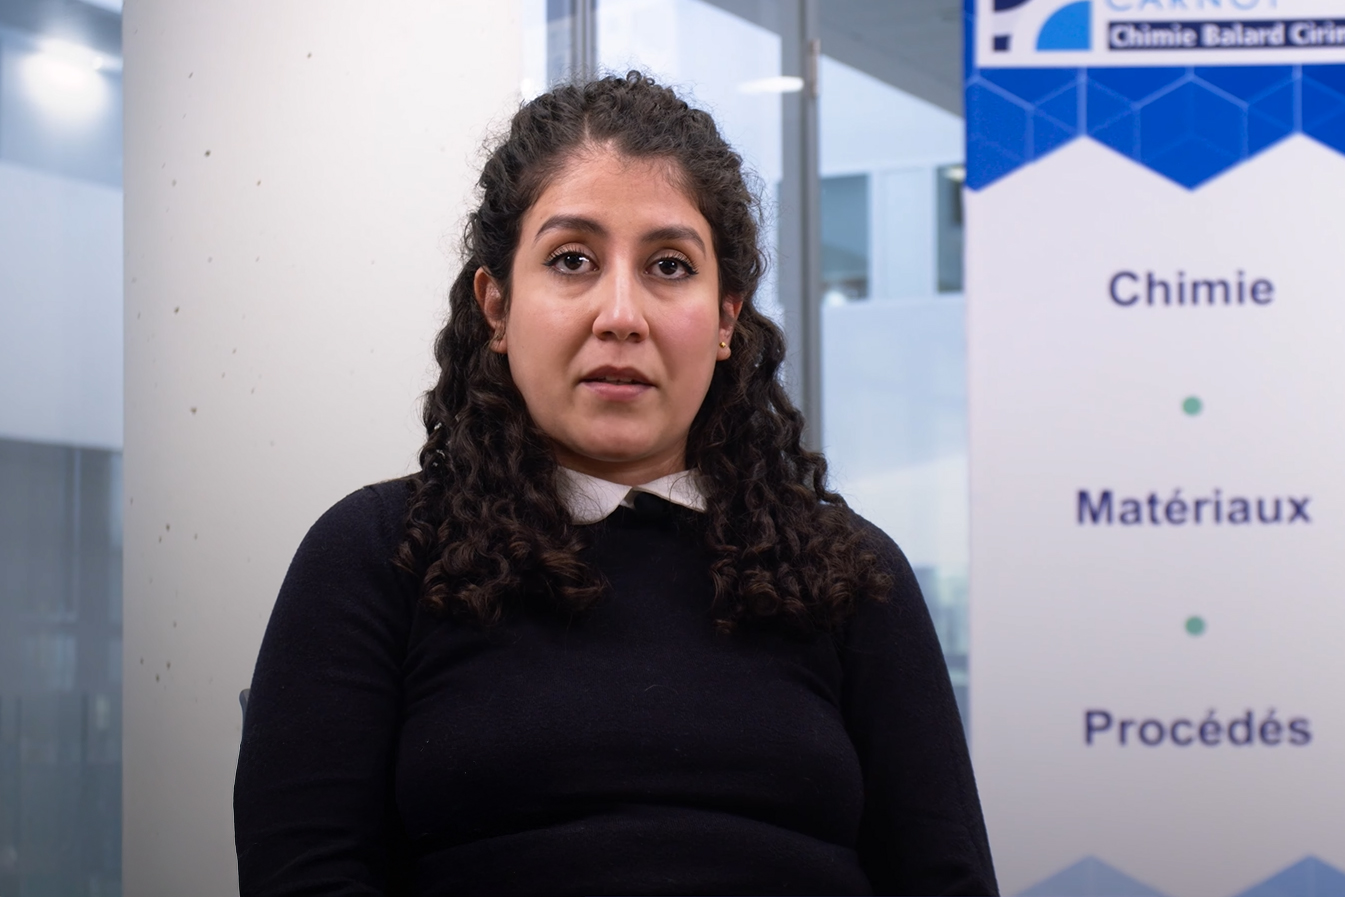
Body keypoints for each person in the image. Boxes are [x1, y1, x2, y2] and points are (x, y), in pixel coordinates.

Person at [234, 72, 997, 896]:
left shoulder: (849, 573)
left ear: (726, 318)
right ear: (496, 306)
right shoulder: (378, 554)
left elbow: (946, 877)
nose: (621, 315)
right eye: (572, 261)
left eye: (669, 265)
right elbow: (305, 874)